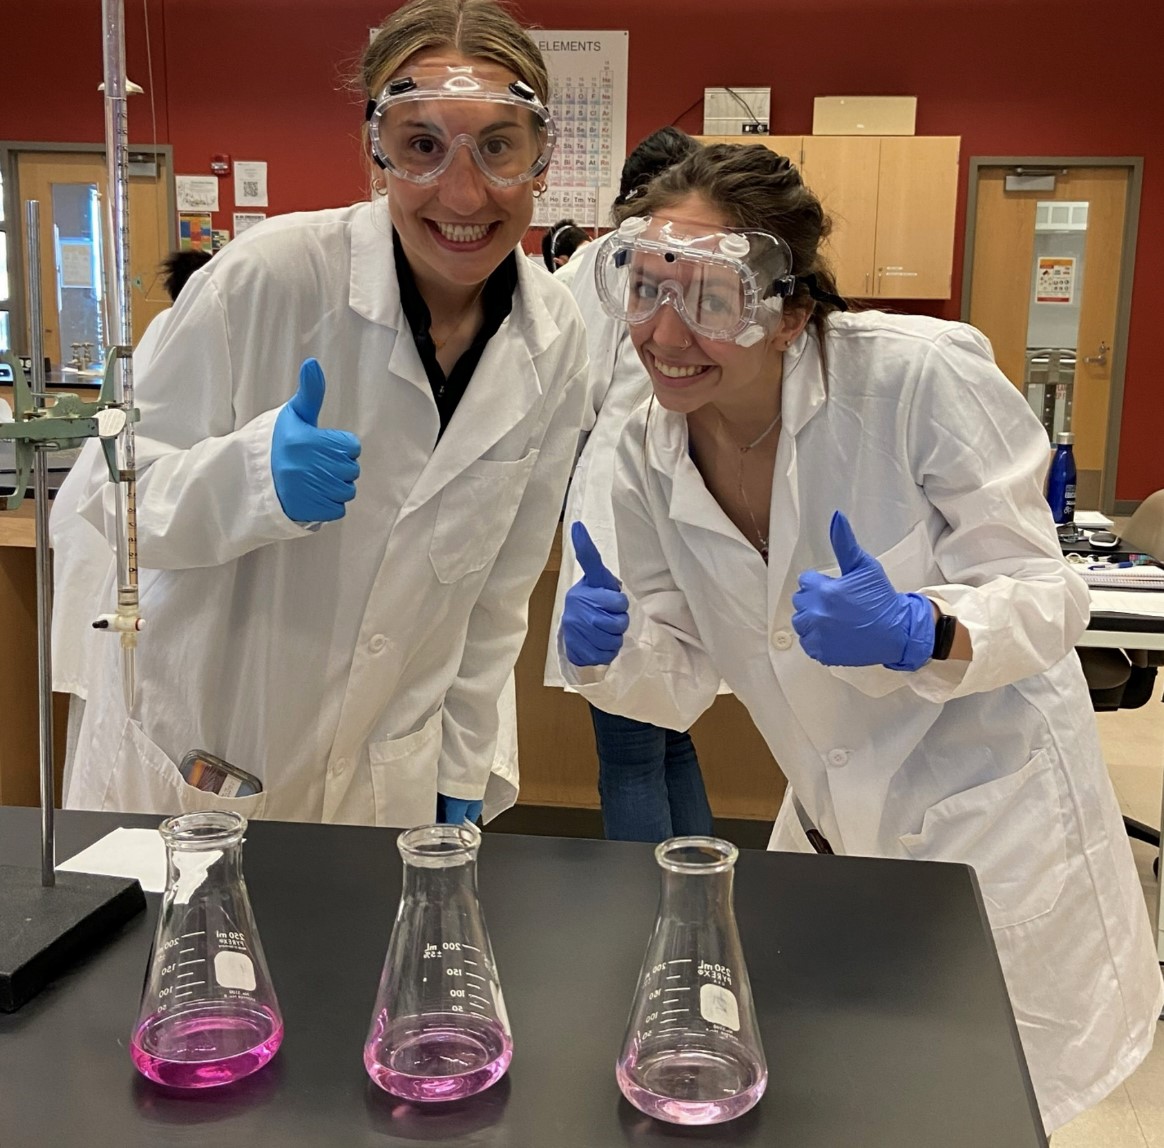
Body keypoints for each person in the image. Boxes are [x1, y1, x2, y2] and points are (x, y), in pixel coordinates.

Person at [557, 142, 1163, 1131]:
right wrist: (611, 648)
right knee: (853, 1092)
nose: (664, 333)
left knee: (988, 1107)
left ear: (789, 310)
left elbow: (1051, 597)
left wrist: (922, 626)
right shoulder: (644, 447)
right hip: (836, 814)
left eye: (711, 297)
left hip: (990, 816)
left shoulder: (917, 379)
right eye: (644, 287)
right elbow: (678, 677)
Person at [62, 0, 590, 828]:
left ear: (541, 159)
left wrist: (466, 758)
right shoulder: (267, 278)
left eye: (497, 146)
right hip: (211, 745)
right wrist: (248, 478)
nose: (462, 190)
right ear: (374, 154)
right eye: (421, 145)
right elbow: (108, 499)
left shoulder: (556, 339)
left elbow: (497, 594)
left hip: (391, 774)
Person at [543, 127, 713, 842]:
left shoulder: (608, 263)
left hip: (616, 514)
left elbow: (564, 399)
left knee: (630, 752)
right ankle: (700, 902)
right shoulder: (706, 262)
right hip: (687, 499)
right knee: (668, 728)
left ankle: (650, 921)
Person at [51, 247, 212, 784]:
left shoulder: (169, 331)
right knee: (112, 728)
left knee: (109, 720)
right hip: (115, 543)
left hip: (111, 537)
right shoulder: (183, 335)